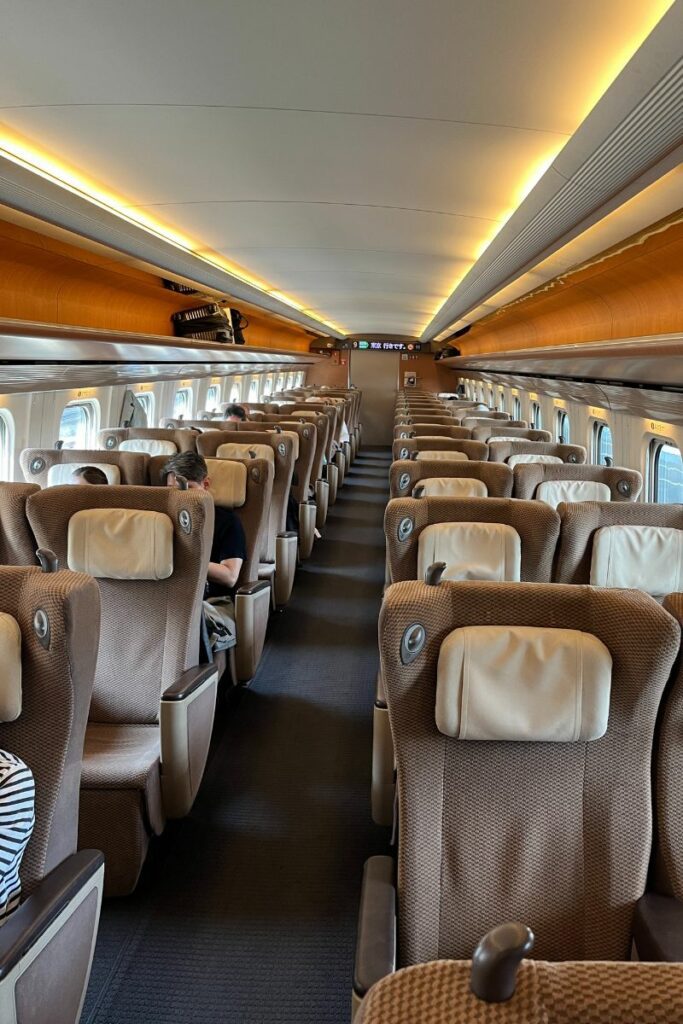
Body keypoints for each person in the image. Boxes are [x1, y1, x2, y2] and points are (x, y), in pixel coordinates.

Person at [162, 451, 247, 654]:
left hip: (214, 604)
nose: (180, 498)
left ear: (206, 485)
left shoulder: (228, 522)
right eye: (171, 491)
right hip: (173, 600)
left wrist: (187, 560)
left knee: (189, 618)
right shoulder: (162, 521)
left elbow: (229, 576)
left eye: (188, 489)